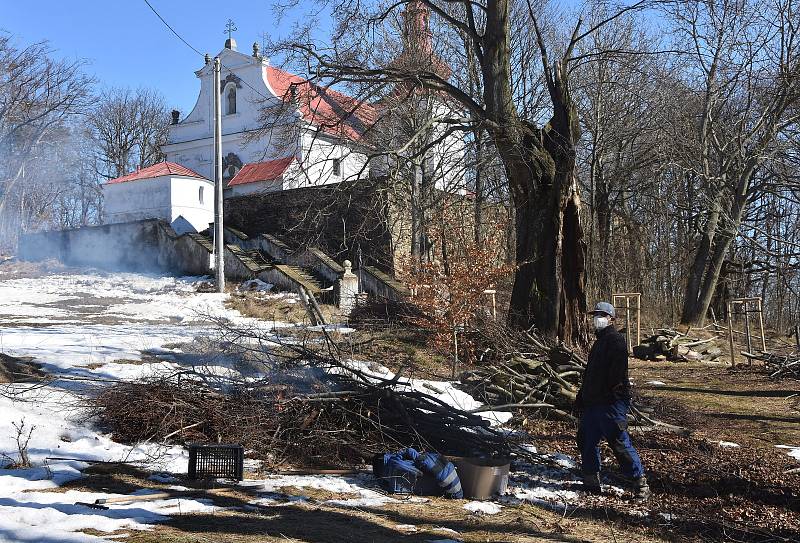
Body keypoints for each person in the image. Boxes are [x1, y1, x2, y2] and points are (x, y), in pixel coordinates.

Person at [575, 301, 650, 501]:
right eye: (595, 315)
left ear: (611, 319)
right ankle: (591, 481)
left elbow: (616, 375)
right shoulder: (599, 342)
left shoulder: (616, 341)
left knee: (619, 442)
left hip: (610, 403)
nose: (597, 318)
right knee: (586, 440)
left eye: (601, 315)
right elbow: (591, 374)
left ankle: (640, 483)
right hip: (593, 403)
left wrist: (611, 397)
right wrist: (582, 396)